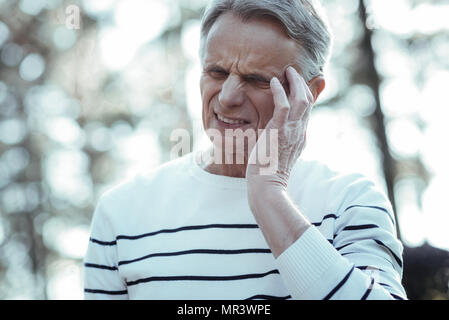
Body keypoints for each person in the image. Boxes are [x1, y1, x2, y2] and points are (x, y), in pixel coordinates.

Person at [83, 0, 407, 300]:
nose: (227, 97)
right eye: (217, 72)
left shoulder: (351, 201)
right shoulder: (121, 214)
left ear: (309, 92)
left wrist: (269, 198)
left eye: (255, 79)